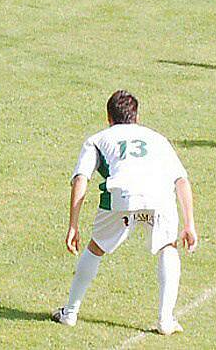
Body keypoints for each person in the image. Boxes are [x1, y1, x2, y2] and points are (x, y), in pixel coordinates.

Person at [51, 90, 197, 335]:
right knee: (168, 246)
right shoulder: (157, 138)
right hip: (159, 196)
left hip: (121, 196)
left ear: (108, 117)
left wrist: (73, 225)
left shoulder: (97, 139)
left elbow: (80, 179)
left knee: (95, 247)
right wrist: (190, 224)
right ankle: (165, 320)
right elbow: (181, 180)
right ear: (136, 117)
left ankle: (70, 313)